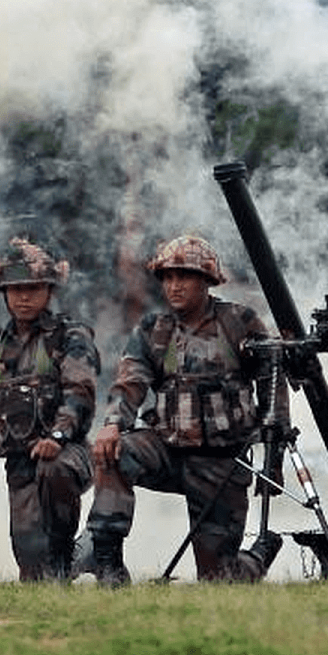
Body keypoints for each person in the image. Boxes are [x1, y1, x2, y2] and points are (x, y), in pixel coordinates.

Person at [86, 234, 289, 585]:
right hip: (166, 450)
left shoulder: (240, 322)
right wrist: (113, 424)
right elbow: (130, 381)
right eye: (167, 277)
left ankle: (259, 554)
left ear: (207, 281)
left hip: (221, 463)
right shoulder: (154, 329)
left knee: (219, 581)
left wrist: (274, 459)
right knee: (113, 453)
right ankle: (107, 563)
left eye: (185, 277)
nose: (174, 286)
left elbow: (273, 386)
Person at [0, 237, 99, 581]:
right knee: (34, 571)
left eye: (34, 288)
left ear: (50, 290)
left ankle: (76, 552)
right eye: (15, 288)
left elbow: (80, 393)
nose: (24, 297)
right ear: (4, 292)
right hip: (20, 467)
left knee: (54, 471)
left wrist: (57, 435)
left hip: (69, 454)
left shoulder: (71, 335)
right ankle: (81, 557)